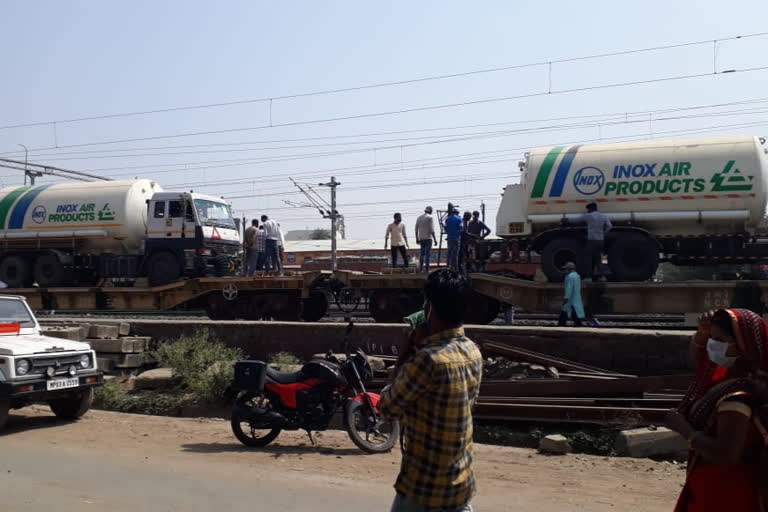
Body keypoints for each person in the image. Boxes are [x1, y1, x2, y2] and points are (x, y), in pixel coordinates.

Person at [379, 269, 482, 512]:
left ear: (430, 309)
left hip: (424, 489)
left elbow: (387, 408)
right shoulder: (473, 352)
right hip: (461, 484)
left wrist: (406, 352)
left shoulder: (427, 361)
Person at [665, 308, 768, 512]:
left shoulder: (739, 396)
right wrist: (702, 334)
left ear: (742, 347)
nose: (712, 345)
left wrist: (683, 428)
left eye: (719, 340)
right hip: (712, 486)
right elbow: (697, 360)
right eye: (711, 338)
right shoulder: (731, 376)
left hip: (727, 491)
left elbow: (726, 454)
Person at [577, 202, 612, 281]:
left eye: (588, 209)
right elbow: (610, 226)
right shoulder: (603, 216)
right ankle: (602, 277)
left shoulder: (589, 216)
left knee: (588, 258)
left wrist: (567, 219)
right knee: (598, 258)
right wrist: (603, 233)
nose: (587, 211)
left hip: (592, 241)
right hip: (601, 241)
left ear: (590, 209)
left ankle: (588, 277)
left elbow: (577, 219)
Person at [559, 262, 585, 327]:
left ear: (569, 269)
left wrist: (566, 298)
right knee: (574, 313)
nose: (565, 271)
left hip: (570, 299)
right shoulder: (577, 276)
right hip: (576, 297)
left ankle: (561, 325)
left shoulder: (569, 277)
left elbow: (569, 288)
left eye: (566, 269)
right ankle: (578, 325)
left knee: (565, 312)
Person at [415, 206, 437, 273]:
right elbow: (431, 230)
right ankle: (427, 269)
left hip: (421, 238)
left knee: (422, 254)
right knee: (427, 254)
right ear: (430, 211)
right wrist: (435, 239)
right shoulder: (430, 217)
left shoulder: (419, 217)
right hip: (428, 238)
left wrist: (417, 238)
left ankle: (421, 269)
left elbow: (416, 229)